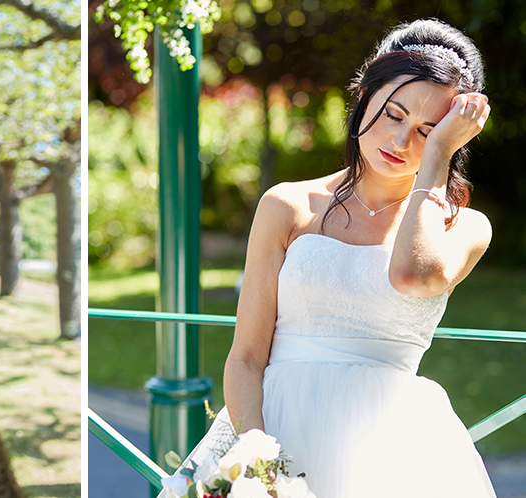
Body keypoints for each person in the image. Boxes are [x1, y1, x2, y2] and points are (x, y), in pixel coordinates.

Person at [162, 18, 496, 498]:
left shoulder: (463, 226)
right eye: (393, 114)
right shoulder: (287, 206)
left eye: (429, 130)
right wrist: (256, 460)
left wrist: (438, 158)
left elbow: (411, 275)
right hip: (271, 432)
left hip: (392, 449)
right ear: (363, 99)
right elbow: (246, 357)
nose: (402, 142)